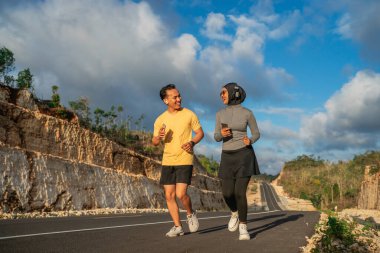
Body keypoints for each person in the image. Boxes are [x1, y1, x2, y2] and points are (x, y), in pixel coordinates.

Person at [152, 84, 204, 237]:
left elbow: (200, 133)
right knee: (169, 195)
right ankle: (178, 226)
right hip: (168, 160)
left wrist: (192, 142)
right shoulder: (160, 119)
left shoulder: (189, 114)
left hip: (184, 158)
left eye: (179, 96)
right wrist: (159, 137)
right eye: (174, 97)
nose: (179, 99)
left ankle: (190, 213)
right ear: (166, 100)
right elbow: (154, 141)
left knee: (181, 194)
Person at [214, 82, 260, 240]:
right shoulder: (220, 114)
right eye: (221, 93)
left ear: (234, 93)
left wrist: (250, 140)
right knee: (227, 193)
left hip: (244, 155)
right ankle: (234, 212)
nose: (221, 95)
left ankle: (243, 227)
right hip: (227, 155)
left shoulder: (247, 113)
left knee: (240, 193)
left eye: (224, 93)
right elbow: (215, 137)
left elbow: (256, 133)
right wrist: (221, 133)